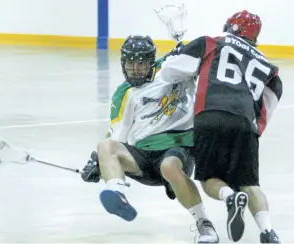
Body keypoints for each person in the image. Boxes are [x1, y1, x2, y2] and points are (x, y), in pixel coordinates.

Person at [159, 10, 282, 243]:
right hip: (245, 124)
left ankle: (228, 197)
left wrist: (175, 55)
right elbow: (266, 108)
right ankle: (269, 232)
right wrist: (252, 133)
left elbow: (170, 72)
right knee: (250, 183)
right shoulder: (269, 67)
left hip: (210, 115)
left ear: (231, 27)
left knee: (209, 179)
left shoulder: (211, 41)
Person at [81, 35, 219, 243]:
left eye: (141, 63)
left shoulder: (171, 69)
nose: (135, 68)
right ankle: (117, 194)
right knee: (105, 146)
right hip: (144, 158)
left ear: (151, 61)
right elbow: (117, 133)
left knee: (169, 166)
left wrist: (187, 52)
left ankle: (205, 226)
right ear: (122, 63)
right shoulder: (124, 93)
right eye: (130, 63)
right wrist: (97, 161)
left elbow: (202, 57)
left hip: (178, 148)